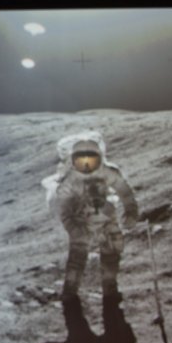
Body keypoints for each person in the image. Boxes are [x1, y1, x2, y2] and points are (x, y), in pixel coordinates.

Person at [51, 131, 138, 326]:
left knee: (111, 252)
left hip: (105, 217)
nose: (87, 164)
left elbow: (125, 192)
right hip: (81, 221)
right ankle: (70, 292)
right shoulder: (70, 180)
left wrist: (131, 212)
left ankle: (110, 288)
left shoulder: (108, 172)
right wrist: (73, 228)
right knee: (77, 258)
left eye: (91, 159)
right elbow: (63, 210)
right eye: (81, 160)